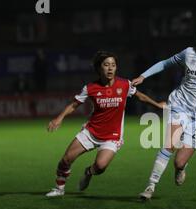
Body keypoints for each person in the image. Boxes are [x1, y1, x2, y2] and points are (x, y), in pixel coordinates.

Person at [132, 22, 196, 200]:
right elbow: (165, 64)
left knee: (179, 161)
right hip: (179, 105)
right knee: (169, 145)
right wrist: (143, 76)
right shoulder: (188, 53)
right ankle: (150, 186)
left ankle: (181, 168)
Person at [45, 51, 165, 197]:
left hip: (112, 136)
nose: (110, 68)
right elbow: (74, 105)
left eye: (113, 65)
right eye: (106, 65)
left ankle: (88, 172)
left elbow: (140, 96)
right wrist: (59, 118)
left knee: (100, 167)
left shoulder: (124, 84)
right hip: (91, 132)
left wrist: (157, 105)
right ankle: (59, 188)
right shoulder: (90, 88)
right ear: (99, 68)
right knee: (66, 159)